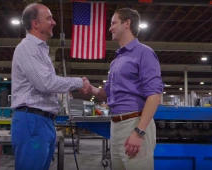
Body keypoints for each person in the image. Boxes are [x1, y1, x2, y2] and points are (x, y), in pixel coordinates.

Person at [10, 3, 91, 170]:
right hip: (32, 120)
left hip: (42, 121)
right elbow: (45, 83)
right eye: (49, 18)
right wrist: (78, 83)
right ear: (35, 23)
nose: (53, 22)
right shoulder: (27, 48)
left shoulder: (41, 51)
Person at [82, 8, 164, 170]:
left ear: (127, 24)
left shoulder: (144, 53)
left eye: (113, 23)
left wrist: (139, 132)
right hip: (116, 126)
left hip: (134, 123)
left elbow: (154, 95)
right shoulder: (117, 60)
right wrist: (90, 88)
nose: (110, 28)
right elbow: (108, 95)